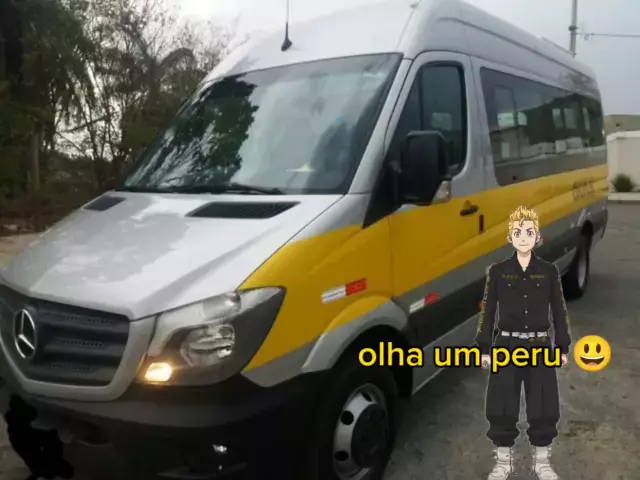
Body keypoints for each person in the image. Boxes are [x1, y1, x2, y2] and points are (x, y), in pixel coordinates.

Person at [475, 206, 571, 480]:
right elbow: (488, 312)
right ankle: (503, 462)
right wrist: (484, 348)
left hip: (540, 345)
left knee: (543, 404)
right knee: (501, 403)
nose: (523, 237)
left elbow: (559, 310)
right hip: (506, 345)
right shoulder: (498, 272)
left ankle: (542, 462)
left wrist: (562, 346)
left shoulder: (549, 272)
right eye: (518, 233)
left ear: (537, 236)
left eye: (529, 232)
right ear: (510, 237)